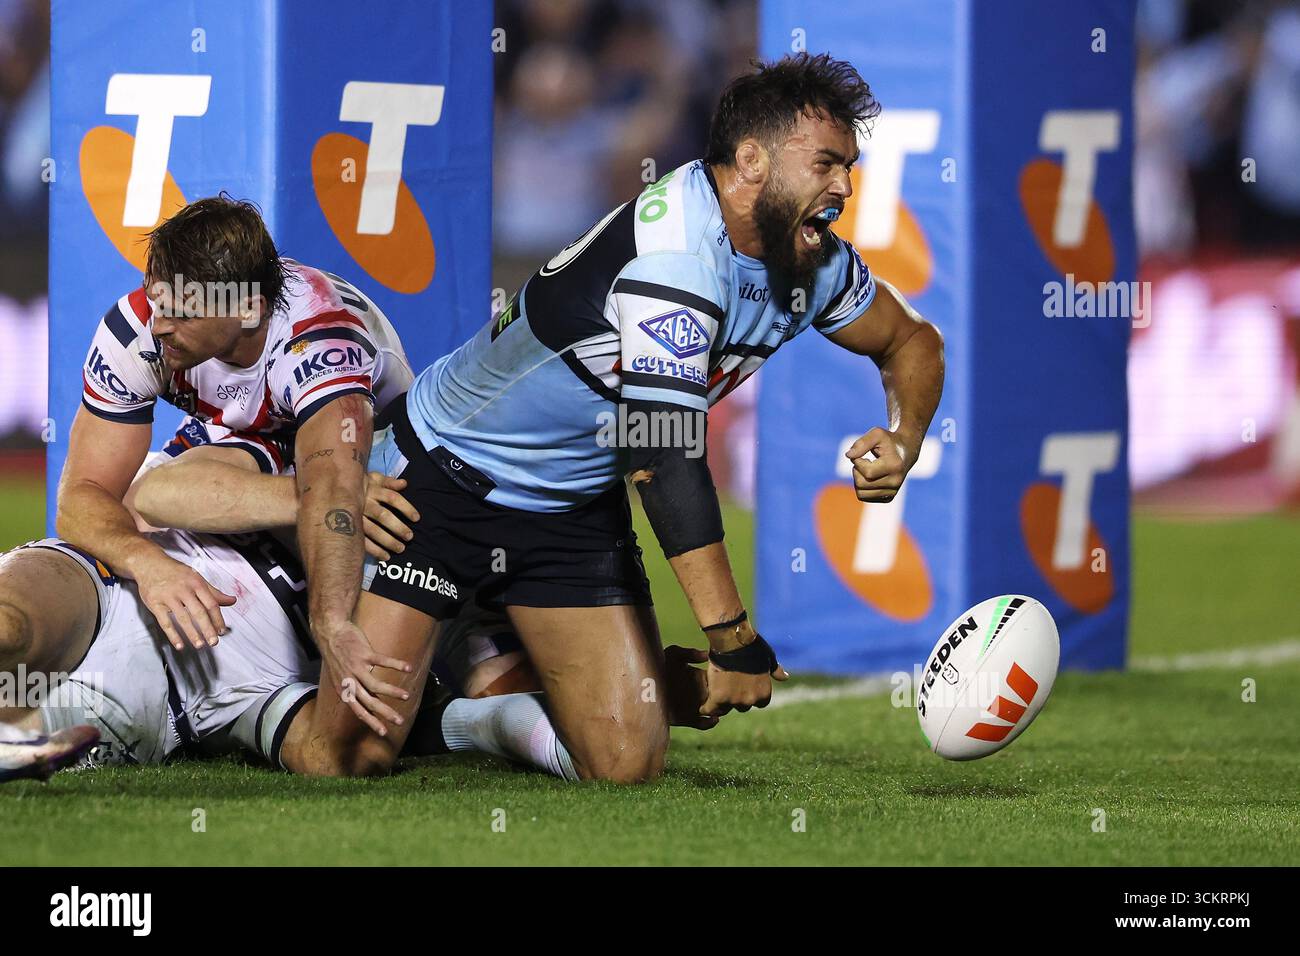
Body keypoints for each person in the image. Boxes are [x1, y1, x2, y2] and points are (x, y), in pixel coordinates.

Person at [56, 195, 414, 739]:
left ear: (247, 310)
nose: (159, 327)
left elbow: (338, 483)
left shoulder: (319, 342)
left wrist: (333, 622)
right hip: (263, 443)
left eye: (180, 312)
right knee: (141, 504)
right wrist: (147, 564)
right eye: (158, 302)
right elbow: (80, 497)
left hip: (373, 458)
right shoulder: (137, 334)